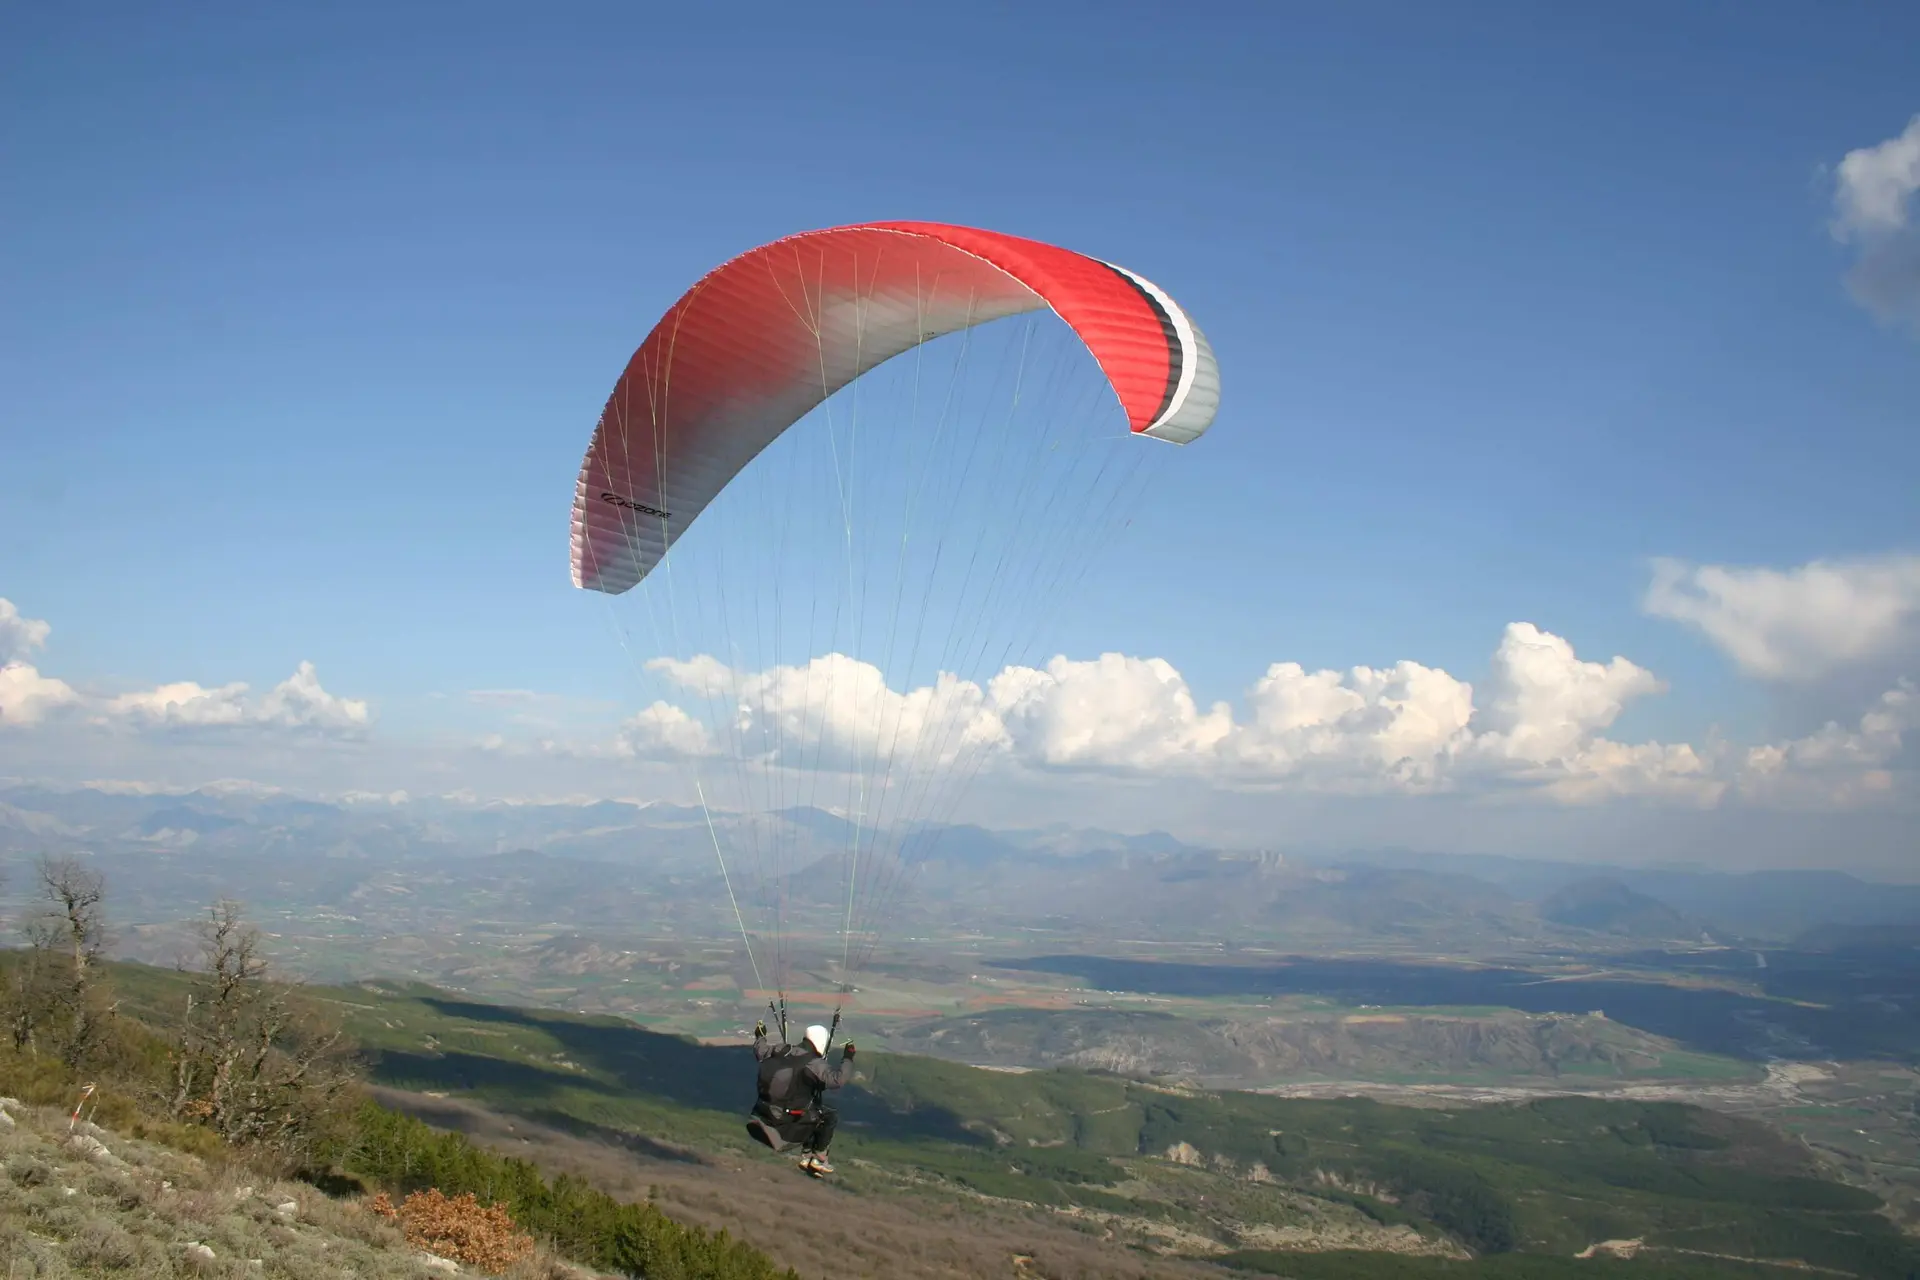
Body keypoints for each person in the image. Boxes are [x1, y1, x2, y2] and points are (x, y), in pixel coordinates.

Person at [746, 1020, 856, 1174]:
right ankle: (818, 1158)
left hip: (760, 1116)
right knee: (827, 1116)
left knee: (810, 1105)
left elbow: (760, 1050)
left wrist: (760, 1034)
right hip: (783, 1128)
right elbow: (838, 1080)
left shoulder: (780, 1050)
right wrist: (848, 1057)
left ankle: (806, 1157)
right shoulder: (814, 1064)